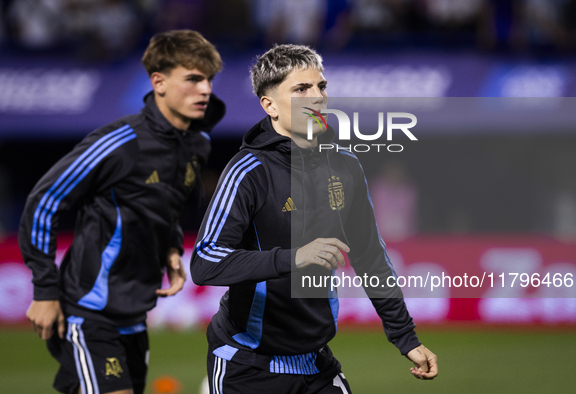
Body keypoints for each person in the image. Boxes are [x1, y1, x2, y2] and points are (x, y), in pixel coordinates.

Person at [190, 44, 437, 394]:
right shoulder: (248, 171)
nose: (317, 97)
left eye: (321, 86)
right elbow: (205, 261)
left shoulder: (346, 165)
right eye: (300, 89)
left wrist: (405, 336)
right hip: (247, 368)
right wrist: (294, 257)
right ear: (270, 105)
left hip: (316, 365)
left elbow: (370, 257)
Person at [19, 30, 225, 394]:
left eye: (208, 79)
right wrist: (44, 291)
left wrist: (173, 249)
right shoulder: (119, 142)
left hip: (134, 312)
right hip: (88, 311)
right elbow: (44, 201)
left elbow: (166, 204)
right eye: (193, 79)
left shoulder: (198, 145)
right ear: (158, 82)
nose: (205, 89)